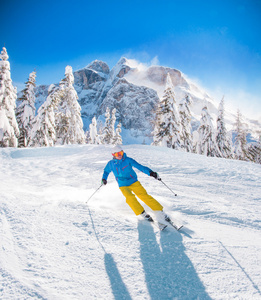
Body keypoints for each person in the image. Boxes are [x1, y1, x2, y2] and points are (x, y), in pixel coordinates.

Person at [101, 145, 171, 223]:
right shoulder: (111, 164)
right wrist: (104, 179)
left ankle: (160, 212)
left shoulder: (128, 160)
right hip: (123, 185)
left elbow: (140, 167)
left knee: (144, 196)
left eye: (121, 152)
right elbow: (106, 171)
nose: (120, 155)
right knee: (129, 198)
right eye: (117, 154)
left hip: (133, 182)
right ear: (113, 155)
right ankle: (143, 213)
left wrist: (151, 173)